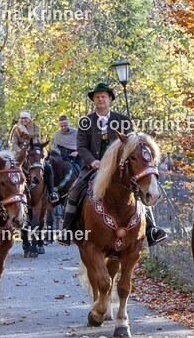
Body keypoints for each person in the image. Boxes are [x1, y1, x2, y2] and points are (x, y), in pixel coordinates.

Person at [58, 82, 166, 246]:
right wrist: (92, 161)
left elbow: (133, 145)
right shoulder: (85, 121)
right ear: (94, 100)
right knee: (74, 191)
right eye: (97, 97)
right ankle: (66, 231)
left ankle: (152, 229)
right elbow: (81, 146)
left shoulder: (123, 120)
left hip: (120, 169)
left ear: (110, 99)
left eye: (103, 97)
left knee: (140, 190)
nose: (100, 99)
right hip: (92, 167)